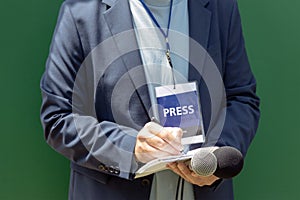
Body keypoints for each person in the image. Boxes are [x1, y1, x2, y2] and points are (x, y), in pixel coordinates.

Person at [40, 0, 260, 199]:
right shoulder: (82, 12)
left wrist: (214, 160)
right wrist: (131, 147)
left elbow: (241, 97)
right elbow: (58, 118)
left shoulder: (220, 7)